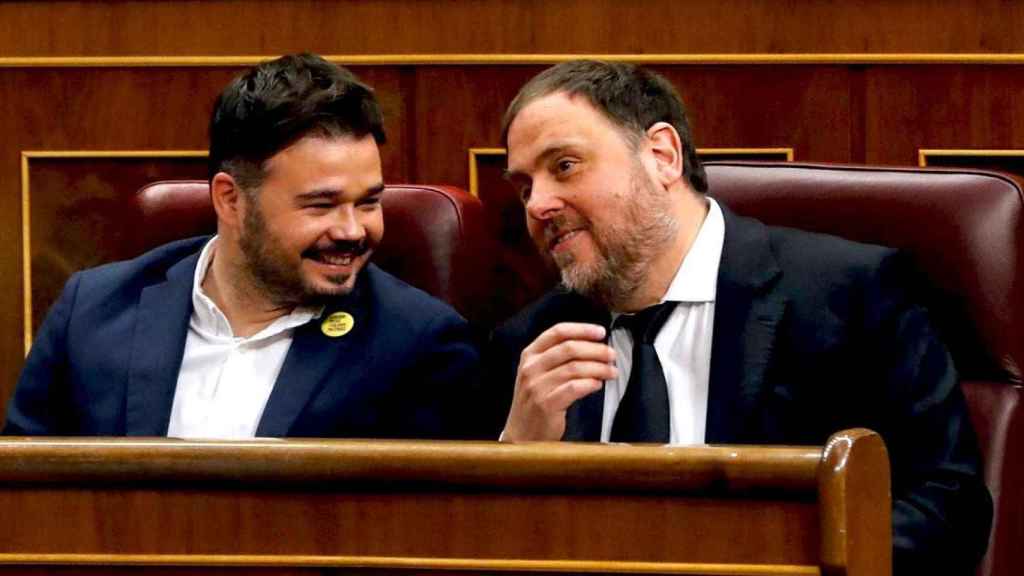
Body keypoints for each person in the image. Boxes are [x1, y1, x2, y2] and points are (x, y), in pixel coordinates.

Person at [486, 60, 991, 573]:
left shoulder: (847, 297)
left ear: (662, 156)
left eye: (565, 166)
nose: (540, 204)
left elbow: (947, 505)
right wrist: (516, 453)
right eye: (525, 187)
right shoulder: (528, 345)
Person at [4, 53, 478, 440]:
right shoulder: (94, 311)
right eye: (321, 205)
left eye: (368, 202)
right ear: (231, 200)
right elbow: (24, 498)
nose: (353, 230)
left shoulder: (420, 344)